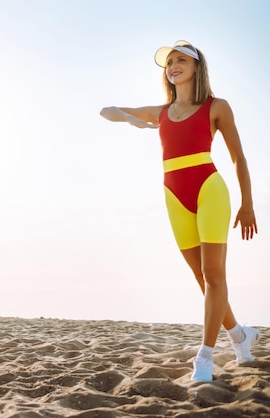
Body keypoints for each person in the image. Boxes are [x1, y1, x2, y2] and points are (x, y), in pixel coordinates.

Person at [100, 41, 259, 382]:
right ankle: (241, 338)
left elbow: (238, 158)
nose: (173, 65)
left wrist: (248, 204)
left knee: (214, 275)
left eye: (181, 60)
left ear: (197, 67)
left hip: (209, 190)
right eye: (169, 62)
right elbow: (106, 110)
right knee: (204, 279)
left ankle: (205, 357)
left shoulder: (218, 107)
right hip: (174, 195)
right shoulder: (161, 111)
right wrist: (131, 119)